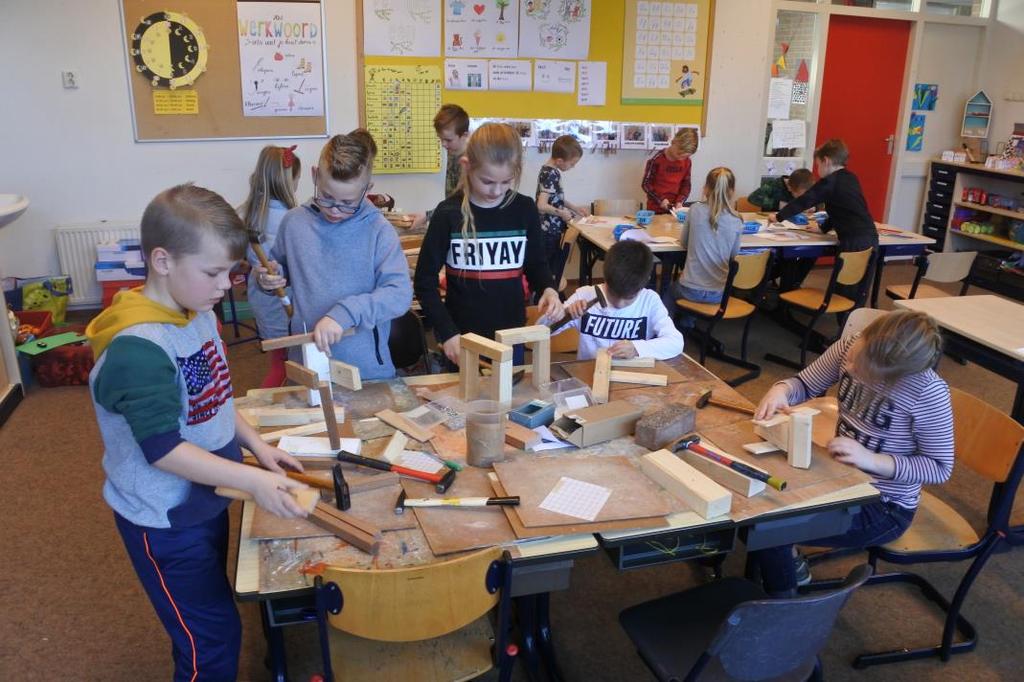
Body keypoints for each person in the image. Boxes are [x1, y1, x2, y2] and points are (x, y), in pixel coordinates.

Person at [85, 184, 310, 681]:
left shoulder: (197, 312)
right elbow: (163, 450)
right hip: (163, 522)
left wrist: (256, 447)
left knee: (210, 618)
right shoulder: (139, 348)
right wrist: (251, 481)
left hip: (204, 499)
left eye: (228, 272)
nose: (225, 285)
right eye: (212, 272)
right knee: (208, 640)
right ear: (162, 261)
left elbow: (215, 398)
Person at [750, 310, 954, 595]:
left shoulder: (927, 392)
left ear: (894, 373)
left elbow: (939, 467)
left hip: (884, 505)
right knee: (759, 503)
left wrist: (871, 461)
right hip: (839, 478)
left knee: (772, 530)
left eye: (862, 368)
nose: (850, 366)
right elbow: (807, 383)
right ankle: (784, 566)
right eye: (853, 358)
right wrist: (781, 390)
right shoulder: (853, 344)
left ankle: (785, 609)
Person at [257, 133, 413, 380]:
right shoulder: (294, 223)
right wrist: (268, 279)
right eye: (327, 196)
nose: (335, 210)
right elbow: (280, 270)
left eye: (348, 202)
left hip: (366, 372)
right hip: (309, 367)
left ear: (367, 189)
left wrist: (344, 314)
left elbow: (399, 294)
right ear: (315, 175)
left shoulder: (379, 231)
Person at [413, 122, 562, 367]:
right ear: (466, 166)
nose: (496, 191)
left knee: (508, 400)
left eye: (506, 182)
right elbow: (424, 282)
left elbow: (536, 264)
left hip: (510, 336)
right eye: (487, 181)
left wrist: (548, 288)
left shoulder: (523, 209)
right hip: (462, 338)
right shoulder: (448, 214)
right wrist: (447, 331)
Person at [550, 240, 683, 361]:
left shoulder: (649, 301)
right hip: (590, 374)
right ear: (605, 278)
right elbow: (542, 329)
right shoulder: (585, 296)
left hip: (631, 379)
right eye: (613, 294)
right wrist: (564, 314)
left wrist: (637, 348)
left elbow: (676, 342)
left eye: (629, 298)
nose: (619, 304)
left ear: (645, 282)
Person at [240, 144, 301, 388]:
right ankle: (263, 410)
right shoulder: (292, 218)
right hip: (284, 302)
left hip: (262, 300)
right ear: (288, 181)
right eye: (297, 179)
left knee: (279, 362)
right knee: (288, 366)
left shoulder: (248, 212)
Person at [772, 139, 877, 253]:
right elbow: (840, 211)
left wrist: (778, 217)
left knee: (846, 271)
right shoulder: (851, 177)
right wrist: (823, 228)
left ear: (826, 161)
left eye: (818, 164)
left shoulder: (829, 183)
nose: (818, 170)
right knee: (864, 271)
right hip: (870, 236)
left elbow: (804, 201)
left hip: (853, 241)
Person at [667, 167, 744, 317]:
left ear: (706, 188)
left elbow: (684, 243)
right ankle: (689, 322)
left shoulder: (695, 210)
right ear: (732, 191)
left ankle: (666, 330)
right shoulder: (737, 219)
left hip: (690, 289)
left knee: (669, 291)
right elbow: (734, 255)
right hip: (720, 293)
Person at [535, 134, 590, 278]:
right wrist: (561, 213)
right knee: (548, 271)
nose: (573, 167)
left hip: (550, 231)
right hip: (548, 232)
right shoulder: (551, 174)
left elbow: (556, 198)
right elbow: (541, 205)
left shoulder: (548, 170)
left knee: (550, 269)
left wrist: (574, 208)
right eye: (572, 164)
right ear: (560, 161)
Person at [410, 104, 472, 229]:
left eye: (448, 140)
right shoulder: (453, 152)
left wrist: (427, 216)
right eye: (441, 139)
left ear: (464, 135)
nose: (443, 144)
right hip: (455, 221)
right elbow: (452, 198)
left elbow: (463, 204)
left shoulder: (473, 161)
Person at [642, 127, 699, 213]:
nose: (681, 158)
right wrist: (660, 200)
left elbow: (686, 184)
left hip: (675, 210)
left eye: (686, 156)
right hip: (656, 210)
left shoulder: (687, 162)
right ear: (673, 142)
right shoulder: (656, 160)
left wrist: (680, 201)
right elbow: (646, 184)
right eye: (679, 154)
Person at [746, 168, 814, 212]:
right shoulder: (774, 185)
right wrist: (779, 204)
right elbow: (752, 197)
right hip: (772, 222)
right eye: (798, 195)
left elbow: (818, 202)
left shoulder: (806, 186)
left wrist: (813, 208)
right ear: (790, 188)